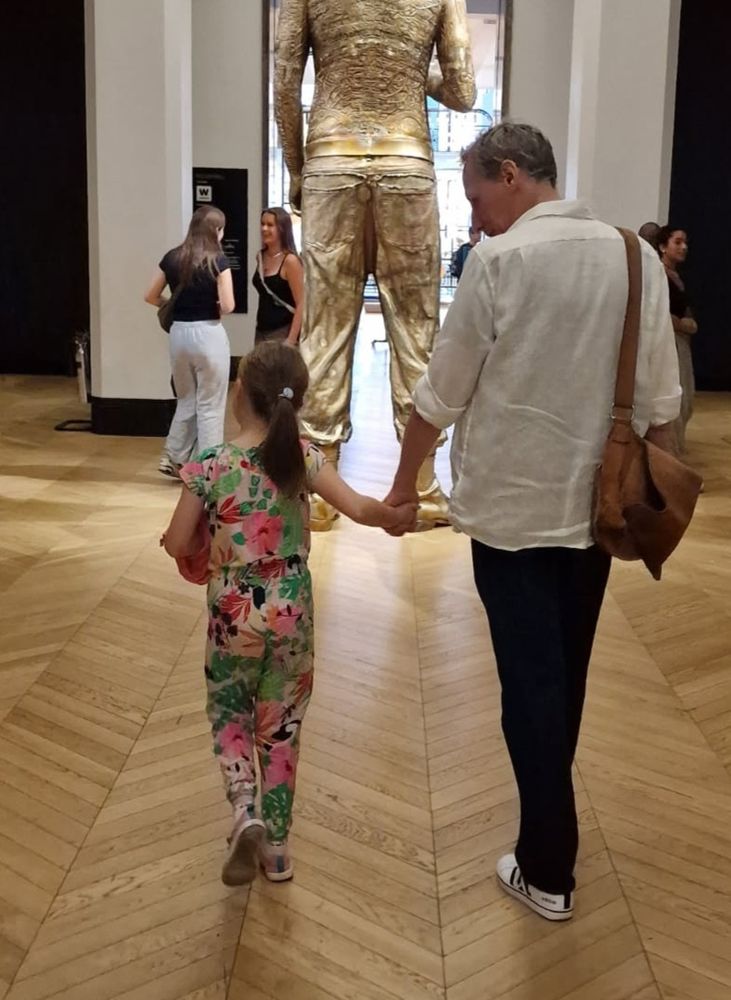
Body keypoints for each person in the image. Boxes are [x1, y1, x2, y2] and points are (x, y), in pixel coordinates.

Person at [385, 123, 681, 921]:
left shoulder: (499, 261)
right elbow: (659, 402)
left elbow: (439, 395)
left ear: (511, 176)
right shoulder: (634, 257)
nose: (473, 216)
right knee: (563, 675)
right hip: (598, 511)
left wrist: (401, 487)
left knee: (530, 685)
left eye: (477, 195)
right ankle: (544, 838)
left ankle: (548, 866)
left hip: (512, 515)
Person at [162, 341, 416, 886]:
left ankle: (243, 808)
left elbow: (179, 539)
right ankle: (277, 850)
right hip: (293, 613)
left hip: (233, 618)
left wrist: (180, 542)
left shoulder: (209, 464)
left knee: (230, 713)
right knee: (281, 728)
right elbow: (361, 509)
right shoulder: (302, 455)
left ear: (239, 396)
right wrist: (397, 512)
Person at [275, 0, 475, 530]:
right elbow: (463, 91)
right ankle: (424, 489)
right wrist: (406, 63)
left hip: (330, 159)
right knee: (416, 331)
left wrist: (297, 167)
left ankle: (319, 492)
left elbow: (285, 82)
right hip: (407, 161)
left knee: (323, 331)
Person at [145, 206, 234, 478]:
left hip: (179, 334)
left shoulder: (172, 257)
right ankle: (209, 468)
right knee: (210, 403)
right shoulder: (218, 261)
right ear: (216, 230)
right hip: (209, 334)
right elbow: (229, 305)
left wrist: (174, 304)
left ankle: (173, 456)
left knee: (186, 400)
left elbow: (150, 296)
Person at [658, 226, 697, 453]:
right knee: (676, 400)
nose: (684, 247)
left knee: (685, 400)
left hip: (680, 343)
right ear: (663, 247)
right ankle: (671, 461)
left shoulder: (674, 276)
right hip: (669, 343)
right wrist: (684, 325)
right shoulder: (659, 275)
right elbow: (664, 313)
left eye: (685, 242)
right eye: (678, 242)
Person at [252, 207, 304, 346]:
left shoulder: (290, 261)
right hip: (261, 331)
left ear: (282, 228)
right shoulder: (260, 257)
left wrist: (291, 339)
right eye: (262, 224)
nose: (264, 229)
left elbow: (301, 303)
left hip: (283, 332)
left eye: (270, 225)